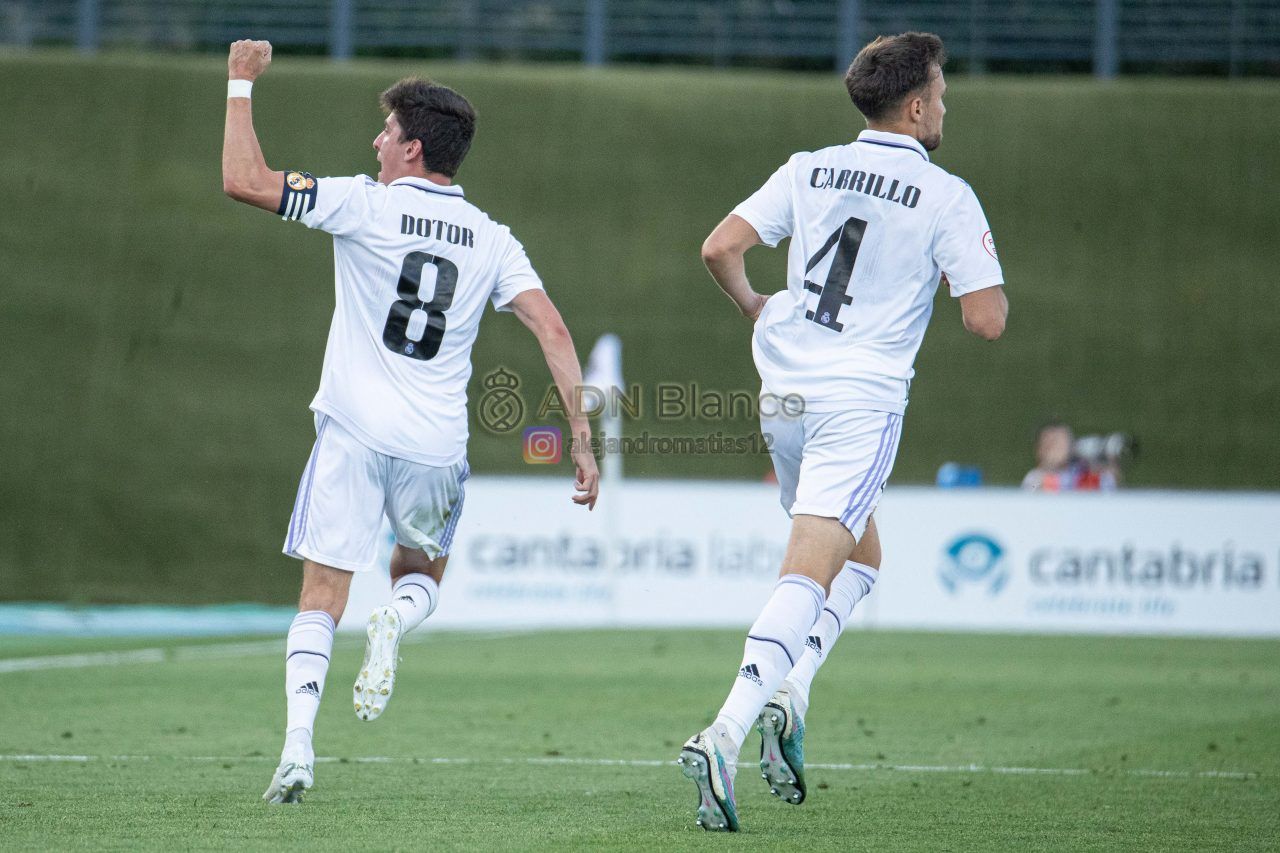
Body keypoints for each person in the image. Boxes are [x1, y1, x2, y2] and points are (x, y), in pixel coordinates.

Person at [220, 40, 599, 805]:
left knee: (321, 593)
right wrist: (584, 444)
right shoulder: (492, 237)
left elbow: (244, 180)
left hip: (353, 430)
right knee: (422, 575)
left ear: (413, 148)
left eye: (387, 131)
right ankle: (394, 616)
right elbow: (554, 330)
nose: (376, 142)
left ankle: (297, 746)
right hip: (434, 443)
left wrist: (239, 84)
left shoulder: (364, 203)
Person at [683, 32, 1007, 831]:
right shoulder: (946, 195)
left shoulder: (809, 167)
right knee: (809, 568)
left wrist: (755, 305)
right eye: (941, 94)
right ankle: (725, 729)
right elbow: (986, 319)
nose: (946, 107)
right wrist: (953, 275)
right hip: (858, 400)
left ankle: (792, 689)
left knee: (862, 558)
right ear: (917, 106)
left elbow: (720, 247)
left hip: (785, 390)